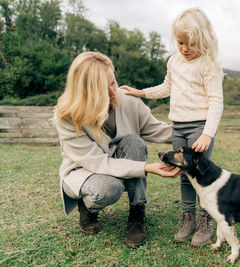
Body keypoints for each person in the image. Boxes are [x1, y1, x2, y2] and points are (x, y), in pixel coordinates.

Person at [54, 51, 181, 249]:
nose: (115, 93)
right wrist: (146, 168)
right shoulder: (68, 117)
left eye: (113, 82)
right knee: (107, 189)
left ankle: (137, 212)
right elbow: (98, 163)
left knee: (134, 141)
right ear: (86, 92)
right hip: (84, 171)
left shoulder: (128, 100)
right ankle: (87, 208)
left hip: (119, 163)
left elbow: (156, 129)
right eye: (105, 90)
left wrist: (195, 131)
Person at [121, 7, 224, 247]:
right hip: (178, 127)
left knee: (201, 175)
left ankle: (204, 220)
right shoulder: (174, 61)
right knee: (183, 175)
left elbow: (216, 101)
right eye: (180, 43)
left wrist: (208, 133)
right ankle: (187, 218)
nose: (185, 49)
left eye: (191, 44)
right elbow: (167, 87)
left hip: (200, 127)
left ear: (204, 40)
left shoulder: (209, 64)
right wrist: (141, 92)